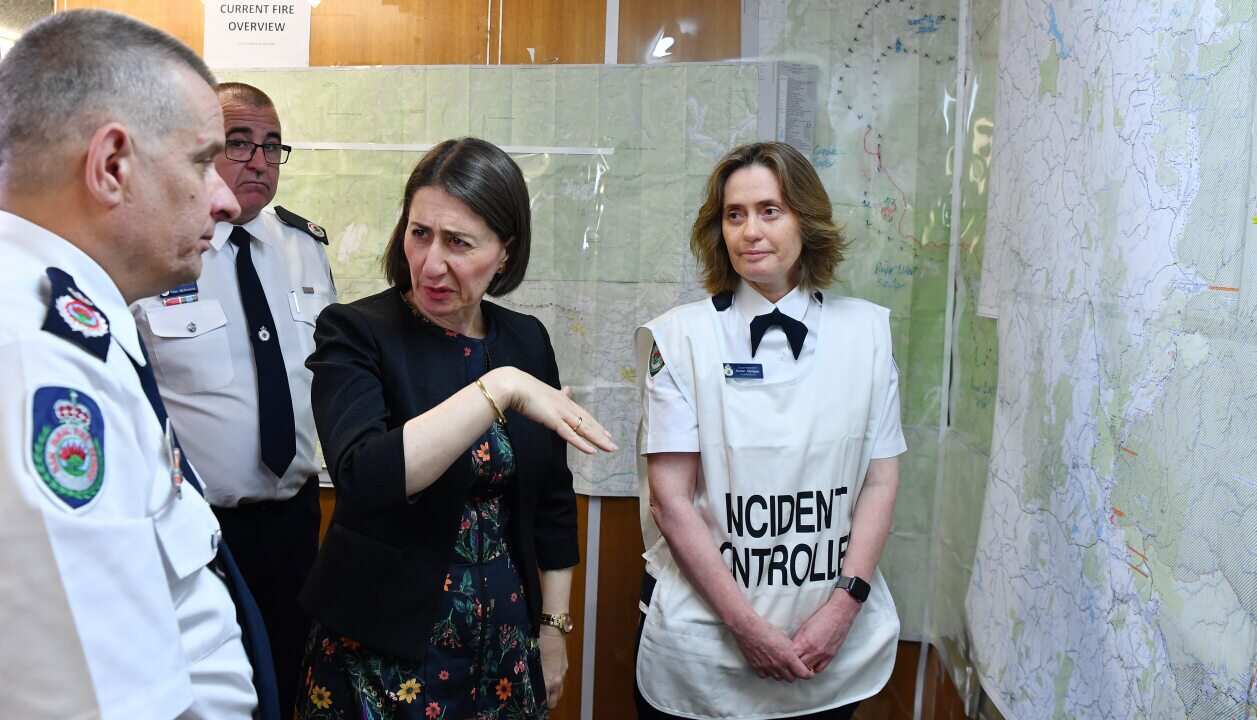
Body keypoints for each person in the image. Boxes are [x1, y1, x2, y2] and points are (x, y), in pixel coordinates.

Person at [0, 10, 280, 719]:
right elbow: (93, 700)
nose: (223, 197)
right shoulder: (37, 358)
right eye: (200, 161)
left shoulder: (66, 317)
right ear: (112, 166)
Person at [295, 137, 616, 719]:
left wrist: (553, 629)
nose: (432, 263)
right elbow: (368, 477)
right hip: (384, 648)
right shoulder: (356, 332)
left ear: (504, 252)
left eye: (459, 243)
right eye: (420, 234)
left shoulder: (523, 341)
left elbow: (551, 500)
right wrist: (499, 389)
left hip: (504, 642)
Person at [634, 141, 907, 719]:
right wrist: (748, 629)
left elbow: (880, 484)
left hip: (830, 646)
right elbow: (670, 501)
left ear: (805, 221)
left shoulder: (866, 334)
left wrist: (843, 608)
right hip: (706, 651)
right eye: (735, 215)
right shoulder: (681, 340)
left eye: (770, 211)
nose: (750, 231)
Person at [132, 81, 334, 717]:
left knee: (291, 680)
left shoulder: (306, 250)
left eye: (272, 147)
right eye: (239, 143)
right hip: (198, 529)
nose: (258, 160)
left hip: (297, 522)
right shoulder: (161, 253)